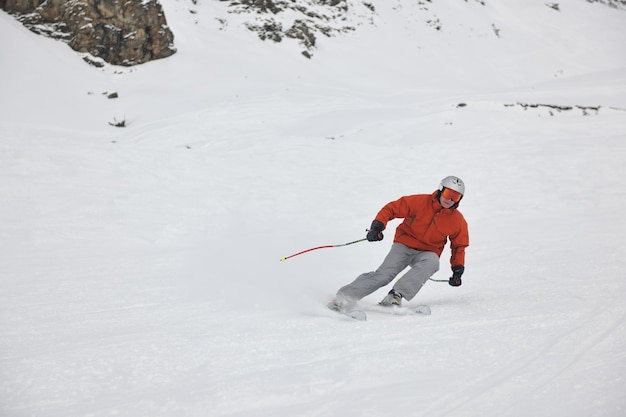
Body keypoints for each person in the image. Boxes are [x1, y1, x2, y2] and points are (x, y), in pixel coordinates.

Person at [328, 176, 469, 312]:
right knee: (384, 275)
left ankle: (395, 295)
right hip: (404, 245)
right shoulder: (419, 202)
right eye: (448, 193)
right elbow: (391, 208)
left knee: (432, 262)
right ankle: (344, 298)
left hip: (427, 252)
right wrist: (377, 227)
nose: (450, 199)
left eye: (455, 197)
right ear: (440, 190)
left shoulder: (457, 221)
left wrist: (457, 270)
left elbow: (459, 246)